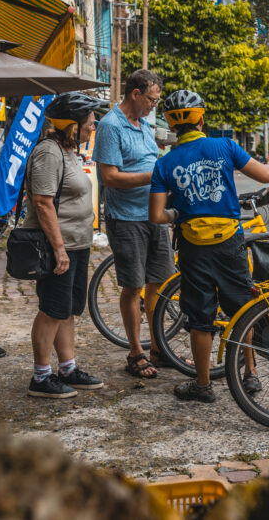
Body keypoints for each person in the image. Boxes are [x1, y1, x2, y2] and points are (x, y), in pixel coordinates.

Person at [148, 90, 269, 403]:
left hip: (193, 247)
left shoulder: (165, 163)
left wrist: (178, 212)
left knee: (199, 317)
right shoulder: (225, 145)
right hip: (230, 242)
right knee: (243, 308)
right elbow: (266, 175)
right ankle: (250, 373)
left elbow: (157, 215)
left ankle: (202, 385)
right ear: (201, 117)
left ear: (172, 124)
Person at [92, 69, 175, 379]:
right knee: (133, 286)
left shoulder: (145, 124)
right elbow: (110, 177)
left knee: (160, 284)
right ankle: (135, 352)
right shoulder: (111, 126)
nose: (154, 105)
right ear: (135, 94)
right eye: (151, 99)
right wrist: (152, 177)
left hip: (155, 215)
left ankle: (158, 348)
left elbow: (152, 158)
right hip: (126, 219)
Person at [24, 93, 104, 399]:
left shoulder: (68, 151)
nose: (92, 128)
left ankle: (68, 368)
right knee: (52, 310)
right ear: (72, 125)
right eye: (89, 123)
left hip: (76, 243)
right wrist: (58, 248)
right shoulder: (48, 153)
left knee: (68, 310)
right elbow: (42, 203)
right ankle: (40, 377)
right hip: (57, 245)